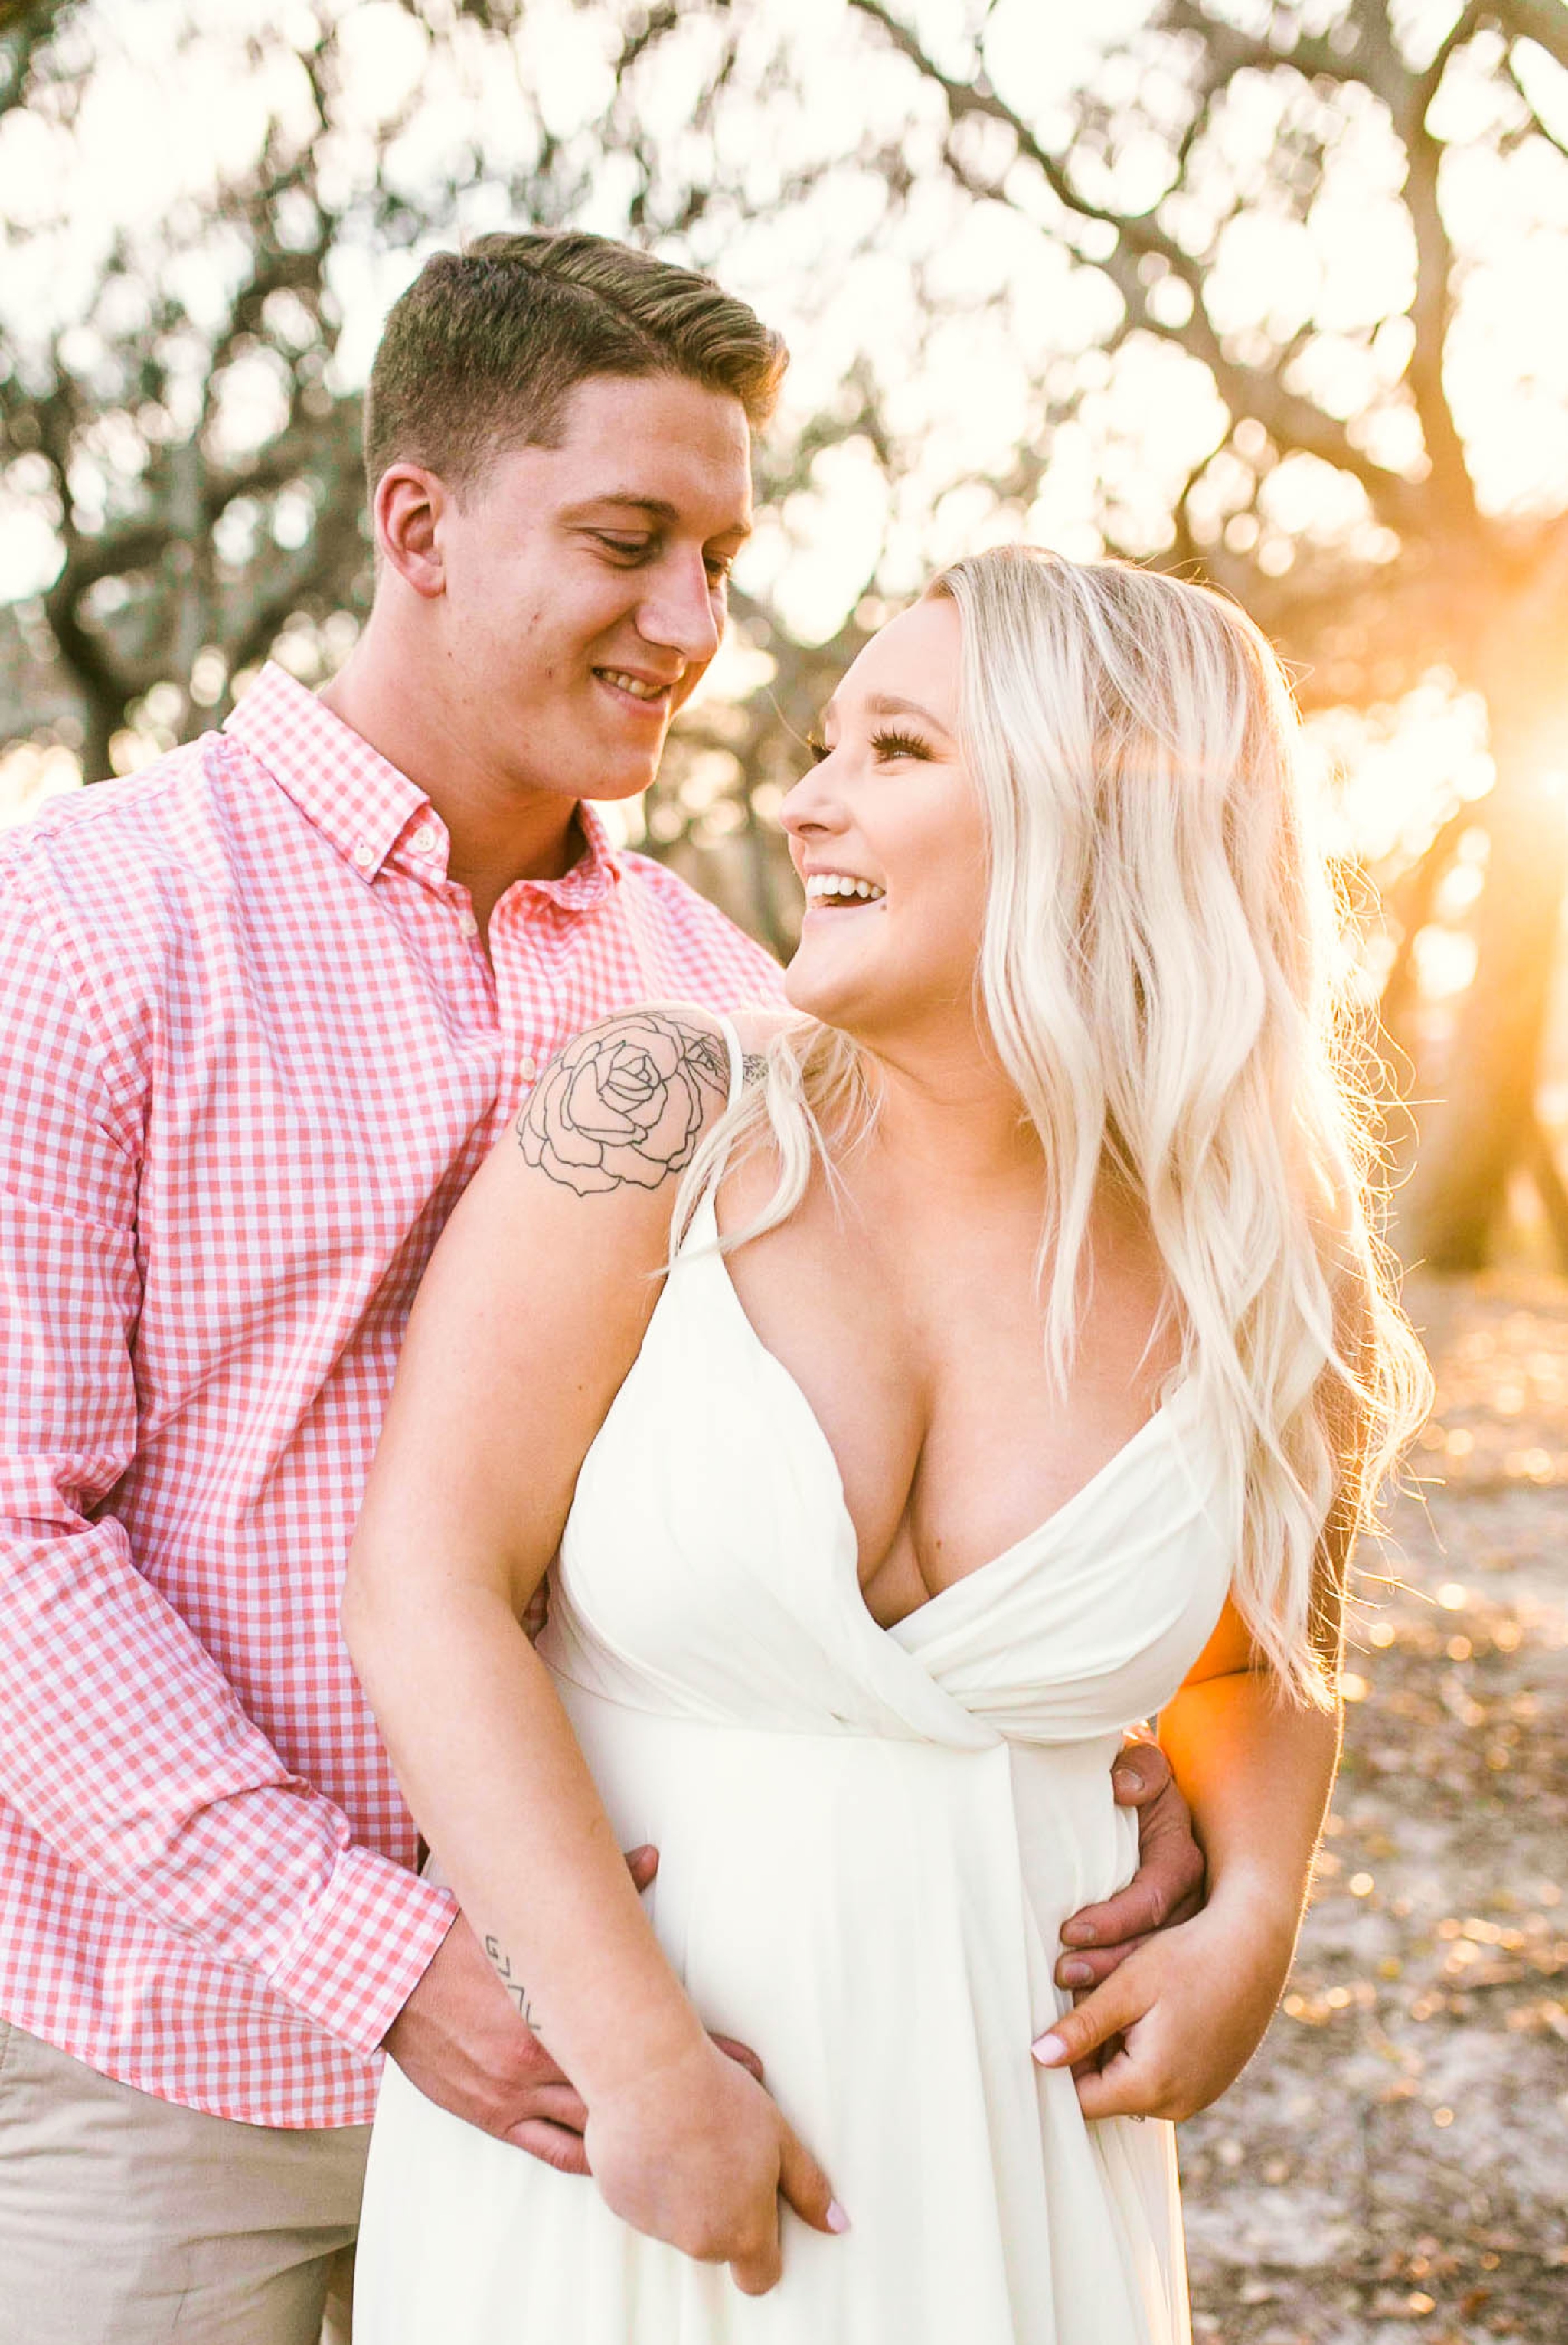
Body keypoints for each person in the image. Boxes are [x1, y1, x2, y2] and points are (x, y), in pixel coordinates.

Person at [0, 237, 1200, 2345]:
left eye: (722, 558)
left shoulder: (727, 991)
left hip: (668, 2037)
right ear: (419, 526)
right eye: (629, 543)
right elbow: (15, 1545)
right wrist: (385, 1954)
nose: (692, 628)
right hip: (172, 2070)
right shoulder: (82, 924)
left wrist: (1080, 1705)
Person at [344, 547, 1432, 2344]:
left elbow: (1257, 1662)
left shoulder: (1261, 1255)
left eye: (897, 749)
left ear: (1100, 821)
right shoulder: (658, 1108)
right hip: (625, 2132)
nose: (802, 795)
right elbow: (427, 1579)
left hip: (1011, 2147)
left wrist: (1251, 1922)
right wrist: (638, 2065)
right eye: (830, 741)